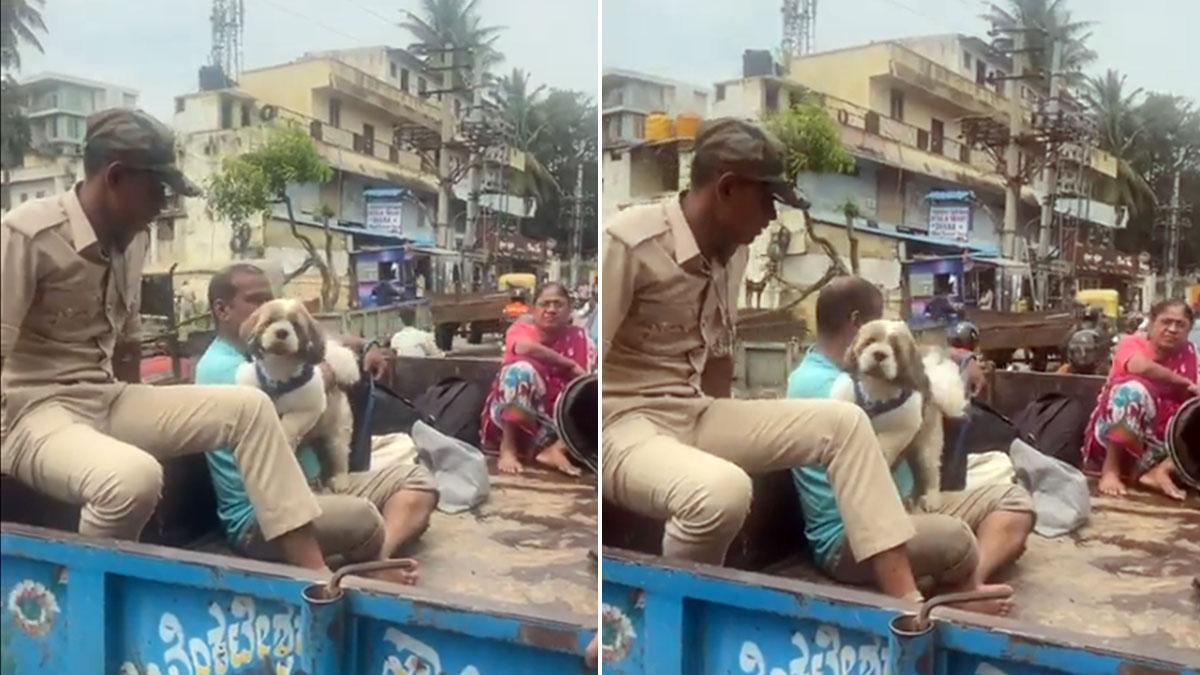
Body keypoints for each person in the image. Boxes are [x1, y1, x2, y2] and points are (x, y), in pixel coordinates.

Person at [603, 117, 926, 604]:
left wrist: (715, 444)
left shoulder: (731, 253)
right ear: (728, 189)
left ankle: (907, 603)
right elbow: (588, 372)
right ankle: (665, 622)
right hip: (623, 425)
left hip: (690, 414)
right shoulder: (630, 241)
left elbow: (717, 356)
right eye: (768, 199)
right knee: (720, 492)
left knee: (844, 421)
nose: (773, 216)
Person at [0, 109, 329, 572]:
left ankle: (316, 580)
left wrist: (136, 422)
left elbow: (127, 347)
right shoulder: (26, 234)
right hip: (33, 413)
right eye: (157, 189)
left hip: (103, 398)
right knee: (131, 478)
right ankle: (87, 613)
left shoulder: (131, 239)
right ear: (115, 178)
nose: (163, 203)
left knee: (250, 408)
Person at [787, 277, 1034, 615]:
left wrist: (952, 357)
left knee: (1015, 500)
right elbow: (913, 390)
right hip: (855, 537)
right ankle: (959, 588)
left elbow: (915, 372)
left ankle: (966, 588)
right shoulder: (823, 384)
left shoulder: (871, 376)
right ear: (860, 323)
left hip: (907, 510)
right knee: (957, 539)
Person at [198, 264, 438, 582]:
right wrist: (330, 368)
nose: (267, 309)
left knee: (420, 481)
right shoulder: (220, 368)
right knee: (365, 518)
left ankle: (376, 561)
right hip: (265, 515)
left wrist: (359, 345)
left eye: (270, 301)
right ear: (222, 310)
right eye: (256, 302)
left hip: (317, 488)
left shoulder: (270, 356)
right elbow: (298, 387)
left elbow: (316, 338)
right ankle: (368, 561)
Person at [1085, 299, 1198, 501]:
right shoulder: (1131, 343)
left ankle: (1160, 471)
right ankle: (1111, 471)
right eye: (1166, 322)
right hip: (1119, 437)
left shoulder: (1190, 354)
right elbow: (1140, 367)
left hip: (1165, 445)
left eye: (1180, 325)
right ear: (1152, 323)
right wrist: (1184, 382)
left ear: (1189, 330)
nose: (1172, 329)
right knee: (1132, 390)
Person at [481, 282, 594, 476]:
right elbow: (525, 348)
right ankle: (508, 448)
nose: (551, 310)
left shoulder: (581, 338)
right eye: (545, 304)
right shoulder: (521, 330)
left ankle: (556, 449)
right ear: (534, 310)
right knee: (518, 372)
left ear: (569, 311)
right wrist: (569, 365)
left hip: (561, 425)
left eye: (558, 304)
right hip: (521, 417)